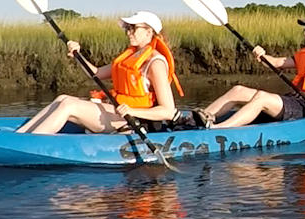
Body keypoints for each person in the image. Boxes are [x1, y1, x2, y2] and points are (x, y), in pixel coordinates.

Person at [16, 11, 184, 134]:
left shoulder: (155, 63)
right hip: (117, 113)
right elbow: (95, 73)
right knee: (63, 98)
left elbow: (167, 111)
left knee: (69, 106)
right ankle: (19, 136)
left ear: (149, 32)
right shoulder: (131, 56)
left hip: (134, 120)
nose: (128, 32)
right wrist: (77, 55)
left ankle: (30, 143)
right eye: (127, 28)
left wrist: (132, 112)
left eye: (133, 28)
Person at [200, 12, 305, 129]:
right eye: (304, 29)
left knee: (262, 98)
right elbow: (277, 62)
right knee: (238, 90)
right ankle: (197, 120)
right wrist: (262, 55)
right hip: (294, 100)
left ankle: (219, 129)